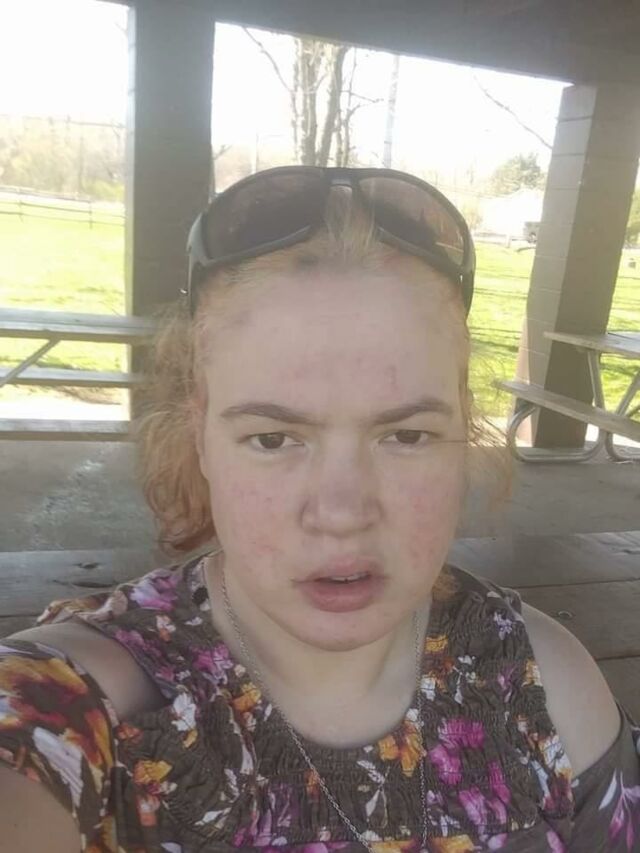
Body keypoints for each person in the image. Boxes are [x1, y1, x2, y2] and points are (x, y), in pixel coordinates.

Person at [0, 166, 638, 853]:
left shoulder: (548, 684)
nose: (341, 513)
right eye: (274, 438)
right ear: (200, 436)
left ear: (463, 434)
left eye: (406, 435)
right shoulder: (82, 699)